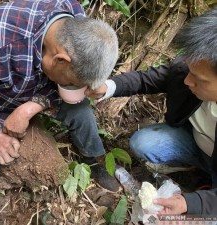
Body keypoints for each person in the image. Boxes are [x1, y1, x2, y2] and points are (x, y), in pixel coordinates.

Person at [0, 0, 119, 192]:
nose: (71, 88)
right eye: (71, 83)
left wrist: (30, 108)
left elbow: (67, 81)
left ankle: (94, 159)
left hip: (37, 87)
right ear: (60, 60)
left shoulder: (75, 18)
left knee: (81, 111)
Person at [87, 7, 217, 215]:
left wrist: (189, 203)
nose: (187, 81)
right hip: (199, 146)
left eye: (199, 80)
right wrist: (107, 87)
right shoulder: (193, 67)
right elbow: (148, 79)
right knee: (144, 143)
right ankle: (197, 171)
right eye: (190, 71)